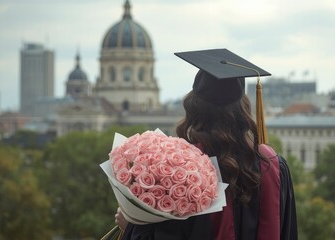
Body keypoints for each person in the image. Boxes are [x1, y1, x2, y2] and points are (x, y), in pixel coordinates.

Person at [115, 48, 298, 240]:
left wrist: (131, 227)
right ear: (243, 107)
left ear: (194, 108)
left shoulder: (179, 171)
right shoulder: (272, 164)